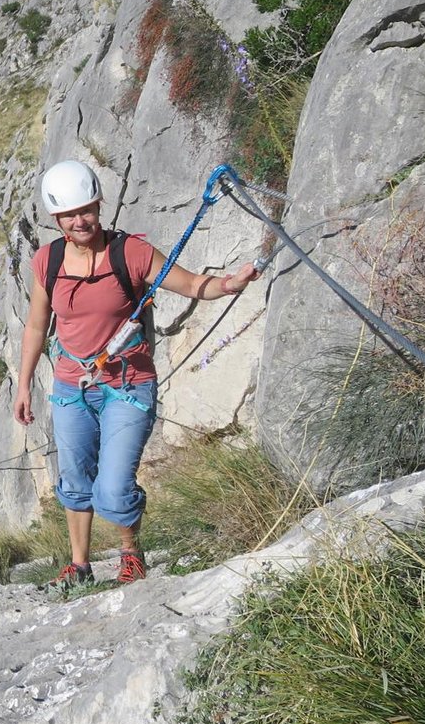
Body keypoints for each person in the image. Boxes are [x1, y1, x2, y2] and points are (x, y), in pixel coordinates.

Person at [13, 160, 259, 587]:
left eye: (86, 210)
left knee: (112, 488)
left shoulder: (130, 253)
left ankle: (131, 552)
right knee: (75, 479)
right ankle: (79, 566)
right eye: (69, 215)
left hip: (127, 385)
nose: (79, 221)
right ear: (56, 219)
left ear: (99, 206)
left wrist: (228, 285)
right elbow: (36, 326)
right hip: (71, 387)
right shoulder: (47, 262)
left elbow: (189, 284)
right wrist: (23, 386)